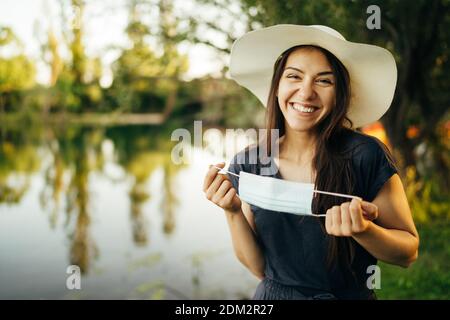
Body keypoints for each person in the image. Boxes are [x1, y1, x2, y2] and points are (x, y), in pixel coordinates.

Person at [203, 25, 419, 300]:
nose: (306, 93)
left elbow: (408, 253)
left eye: (324, 81)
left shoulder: (367, 155)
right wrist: (232, 211)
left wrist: (365, 230)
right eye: (294, 76)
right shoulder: (249, 163)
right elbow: (259, 268)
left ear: (340, 92)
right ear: (278, 86)